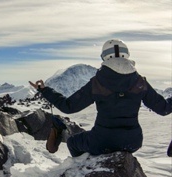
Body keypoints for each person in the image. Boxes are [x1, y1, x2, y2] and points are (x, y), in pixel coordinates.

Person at [29, 39, 172, 157]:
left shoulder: (97, 83)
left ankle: (82, 174)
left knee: (73, 142)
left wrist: (44, 90)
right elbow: (164, 109)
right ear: (127, 55)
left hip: (102, 141)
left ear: (104, 57)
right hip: (133, 142)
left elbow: (69, 107)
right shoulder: (140, 82)